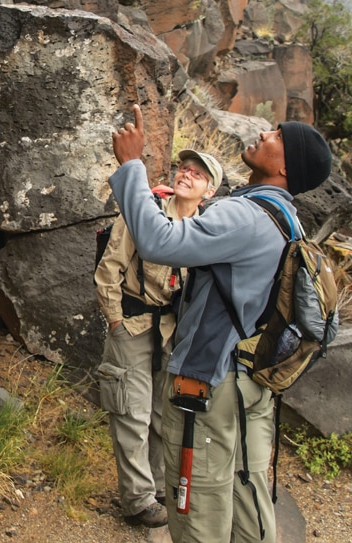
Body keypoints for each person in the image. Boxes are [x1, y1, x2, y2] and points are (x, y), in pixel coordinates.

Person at [108, 105, 332, 543]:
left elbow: (158, 242)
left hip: (209, 386)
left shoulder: (246, 215)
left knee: (198, 512)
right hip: (251, 382)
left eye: (277, 136)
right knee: (248, 500)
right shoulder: (287, 220)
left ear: (286, 165)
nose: (264, 133)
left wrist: (132, 166)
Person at [94, 147, 225, 529]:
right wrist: (116, 322)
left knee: (163, 414)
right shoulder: (145, 211)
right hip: (133, 325)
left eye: (197, 175)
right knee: (131, 412)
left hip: (172, 331)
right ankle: (137, 501)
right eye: (183, 169)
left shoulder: (208, 228)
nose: (185, 175)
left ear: (209, 191)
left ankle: (156, 486)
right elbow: (109, 270)